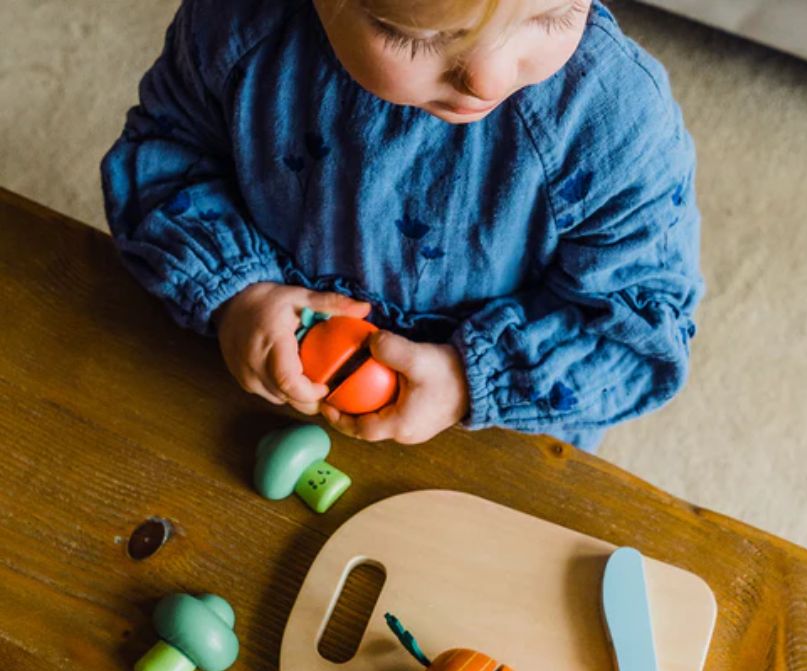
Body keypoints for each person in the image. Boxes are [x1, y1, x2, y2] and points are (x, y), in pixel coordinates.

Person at [102, 0, 703, 450]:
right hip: (254, 384)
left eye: (552, 16)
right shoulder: (240, 26)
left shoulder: (613, 127)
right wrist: (238, 292)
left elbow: (644, 326)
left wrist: (470, 382)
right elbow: (165, 154)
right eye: (417, 37)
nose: (487, 79)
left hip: (496, 428)